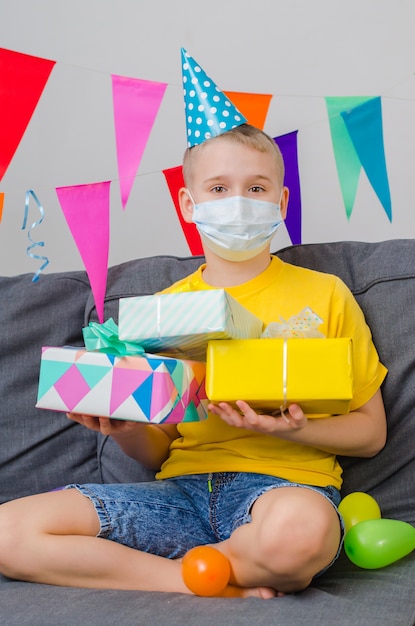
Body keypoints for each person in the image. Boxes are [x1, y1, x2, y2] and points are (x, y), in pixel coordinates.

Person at [0, 124, 387, 599]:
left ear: (282, 203)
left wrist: (287, 428)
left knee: (301, 532)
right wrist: (128, 427)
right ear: (188, 204)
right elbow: (158, 450)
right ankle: (208, 582)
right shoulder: (162, 311)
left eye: (257, 188)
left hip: (283, 493)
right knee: (8, 532)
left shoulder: (325, 294)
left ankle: (206, 566)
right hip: (176, 496)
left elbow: (371, 434)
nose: (238, 202)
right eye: (219, 188)